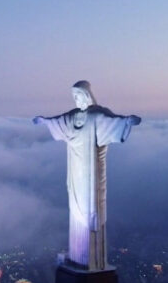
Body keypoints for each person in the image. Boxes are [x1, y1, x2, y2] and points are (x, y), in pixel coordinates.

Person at [33, 80, 141, 270]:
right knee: (75, 210)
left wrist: (127, 121)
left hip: (91, 173)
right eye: (73, 97)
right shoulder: (73, 117)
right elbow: (58, 121)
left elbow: (114, 122)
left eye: (78, 96)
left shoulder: (97, 115)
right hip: (75, 171)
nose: (76, 100)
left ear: (87, 95)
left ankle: (91, 260)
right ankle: (77, 256)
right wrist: (44, 121)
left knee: (89, 209)